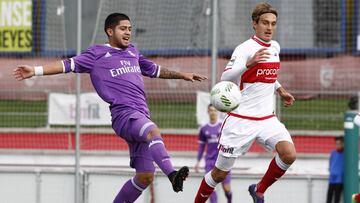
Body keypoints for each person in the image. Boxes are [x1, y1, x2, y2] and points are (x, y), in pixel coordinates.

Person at [13, 13, 207, 203]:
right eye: (123, 28)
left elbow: (155, 70)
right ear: (110, 31)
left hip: (141, 115)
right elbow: (67, 65)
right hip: (124, 115)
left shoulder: (133, 52)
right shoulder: (96, 54)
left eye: (130, 29)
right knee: (153, 132)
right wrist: (35, 71)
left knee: (145, 177)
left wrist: (182, 75)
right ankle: (172, 174)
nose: (128, 32)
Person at [194, 3, 296, 203]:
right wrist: (248, 63)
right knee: (219, 174)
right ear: (255, 24)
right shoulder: (245, 49)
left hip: (267, 118)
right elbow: (225, 76)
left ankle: (258, 190)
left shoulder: (275, 47)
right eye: (265, 23)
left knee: (289, 154)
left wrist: (281, 90)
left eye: (273, 24)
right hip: (240, 120)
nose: (269, 28)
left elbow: (268, 76)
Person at [194, 104, 232, 203]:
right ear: (208, 112)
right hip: (210, 162)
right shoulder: (204, 128)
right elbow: (202, 146)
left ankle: (229, 201)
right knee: (211, 189)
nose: (213, 112)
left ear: (217, 112)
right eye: (211, 110)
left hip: (223, 160)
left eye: (214, 110)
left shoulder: (222, 125)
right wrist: (198, 161)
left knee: (227, 189)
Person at [326, 136, 344, 203]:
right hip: (332, 178)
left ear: (342, 144)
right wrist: (331, 171)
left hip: (339, 179)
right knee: (329, 196)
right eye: (336, 143)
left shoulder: (346, 153)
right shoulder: (333, 153)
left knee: (337, 197)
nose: (338, 145)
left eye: (339, 143)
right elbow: (330, 163)